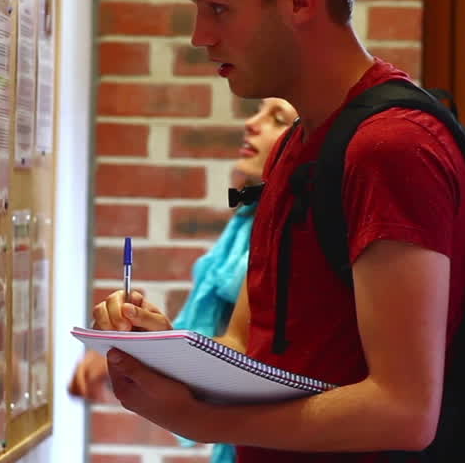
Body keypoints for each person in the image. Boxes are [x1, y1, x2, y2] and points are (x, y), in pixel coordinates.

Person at [89, 0, 465, 462]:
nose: (200, 36)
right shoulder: (299, 143)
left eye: (218, 8)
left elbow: (403, 410)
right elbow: (252, 347)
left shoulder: (391, 147)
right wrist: (165, 348)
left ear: (299, 1)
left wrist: (198, 415)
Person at [69, 97, 298, 462]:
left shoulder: (291, 231)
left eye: (278, 118)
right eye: (257, 111)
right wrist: (141, 346)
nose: (252, 123)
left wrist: (147, 350)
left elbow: (248, 353)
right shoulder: (250, 218)